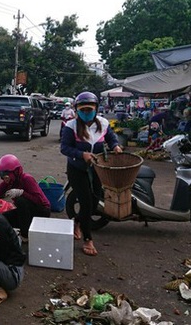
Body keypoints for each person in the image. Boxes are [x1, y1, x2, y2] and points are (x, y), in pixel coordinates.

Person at [60, 91, 122, 256]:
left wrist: (115, 146)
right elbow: (64, 148)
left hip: (97, 169)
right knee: (86, 203)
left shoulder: (103, 123)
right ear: (77, 110)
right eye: (83, 109)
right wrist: (82, 155)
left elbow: (111, 138)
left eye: (90, 109)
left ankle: (78, 222)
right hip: (77, 169)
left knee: (94, 204)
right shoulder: (70, 127)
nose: (86, 112)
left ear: (96, 108)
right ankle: (88, 240)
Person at [0, 154, 51, 242]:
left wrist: (22, 193)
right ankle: (21, 229)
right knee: (2, 218)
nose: (4, 179)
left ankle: (25, 235)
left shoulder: (27, 179)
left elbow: (39, 201)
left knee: (21, 201)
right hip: (25, 212)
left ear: (15, 172)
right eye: (2, 177)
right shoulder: (8, 182)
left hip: (42, 211)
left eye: (6, 176)